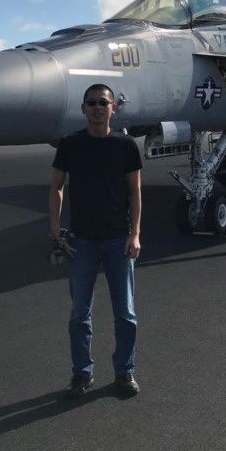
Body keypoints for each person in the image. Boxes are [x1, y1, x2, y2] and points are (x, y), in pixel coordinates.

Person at [49, 83, 142, 400]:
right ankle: (82, 374)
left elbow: (135, 192)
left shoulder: (126, 146)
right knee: (79, 315)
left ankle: (124, 372)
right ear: (83, 108)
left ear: (113, 108)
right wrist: (56, 230)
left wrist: (135, 233)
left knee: (126, 315)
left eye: (103, 103)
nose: (97, 108)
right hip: (83, 242)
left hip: (118, 240)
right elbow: (57, 186)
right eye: (92, 103)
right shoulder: (70, 144)